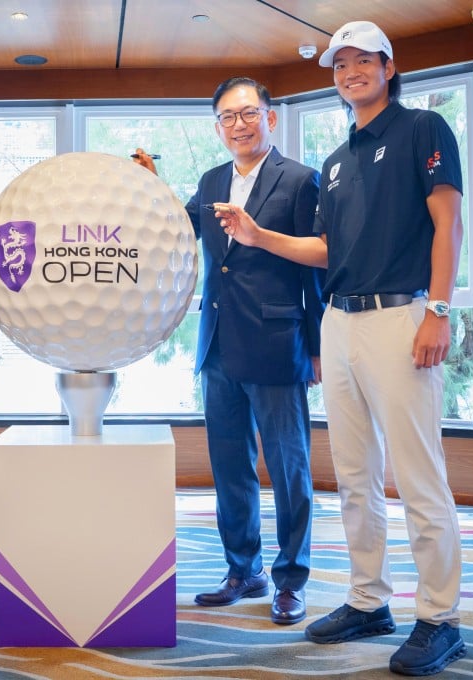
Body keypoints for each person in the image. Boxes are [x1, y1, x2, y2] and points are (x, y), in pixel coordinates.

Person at [218, 22, 466, 676]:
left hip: (402, 315)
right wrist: (255, 234)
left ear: (388, 66)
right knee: (354, 478)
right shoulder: (335, 161)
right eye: (340, 64)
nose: (350, 71)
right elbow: (324, 250)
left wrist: (438, 311)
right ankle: (367, 600)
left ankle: (440, 616)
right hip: (341, 321)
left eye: (363, 60)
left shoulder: (423, 131)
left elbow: (448, 221)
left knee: (417, 476)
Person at [133, 76, 323, 625]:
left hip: (277, 344)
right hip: (217, 346)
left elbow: (316, 266)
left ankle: (291, 579)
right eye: (227, 118)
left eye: (248, 114)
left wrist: (313, 345)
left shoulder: (300, 180)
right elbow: (179, 229)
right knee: (230, 469)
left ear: (271, 117)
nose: (238, 125)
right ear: (217, 127)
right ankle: (244, 569)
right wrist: (152, 189)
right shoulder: (212, 178)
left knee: (289, 469)